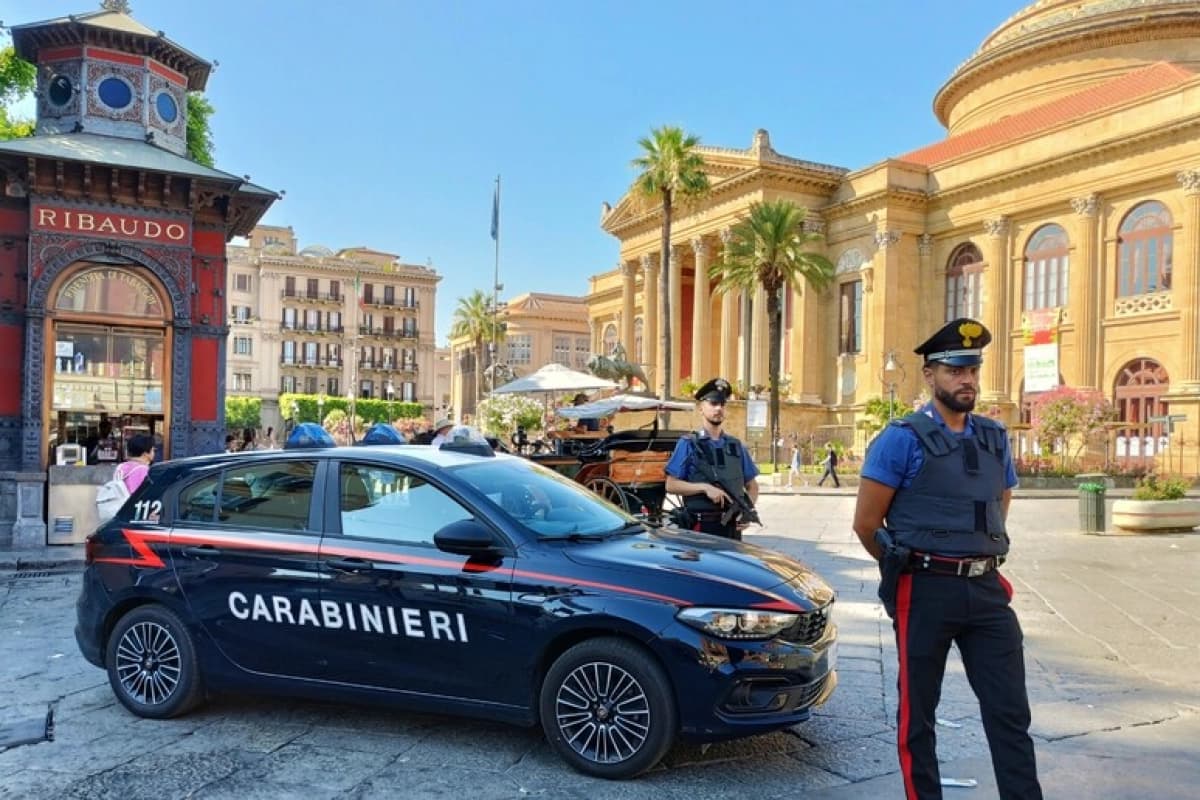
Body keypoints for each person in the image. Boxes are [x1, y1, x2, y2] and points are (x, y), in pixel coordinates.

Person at [851, 317, 1042, 800]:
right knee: (919, 715)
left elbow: (999, 503)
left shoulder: (995, 438)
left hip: (985, 590)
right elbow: (867, 524)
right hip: (924, 588)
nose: (967, 380)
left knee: (1010, 712)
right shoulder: (900, 439)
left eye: (972, 369)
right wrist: (908, 566)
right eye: (955, 370)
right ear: (930, 375)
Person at [664, 377, 759, 540]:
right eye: (713, 403)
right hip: (700, 530)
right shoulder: (688, 444)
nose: (718, 408)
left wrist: (746, 510)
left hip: (731, 530)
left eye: (722, 404)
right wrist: (704, 488)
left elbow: (752, 486)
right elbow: (671, 485)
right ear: (701, 408)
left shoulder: (736, 446)